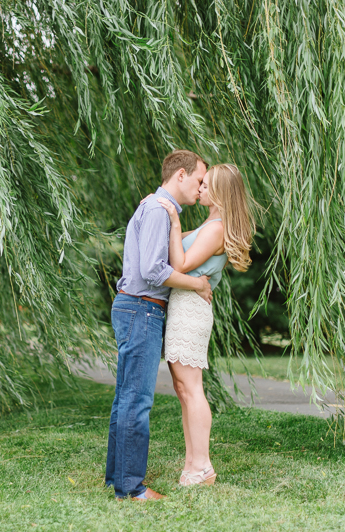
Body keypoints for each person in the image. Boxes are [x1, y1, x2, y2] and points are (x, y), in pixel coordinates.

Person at [106, 150, 214, 501]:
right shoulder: (157, 210)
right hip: (142, 309)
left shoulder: (157, 208)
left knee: (126, 398)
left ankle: (117, 478)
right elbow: (153, 271)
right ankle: (131, 488)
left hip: (136, 308)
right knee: (136, 401)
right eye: (199, 180)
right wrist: (198, 284)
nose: (201, 188)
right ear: (180, 175)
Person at [156, 163, 256, 487]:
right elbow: (178, 249)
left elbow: (180, 263)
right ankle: (193, 464)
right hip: (184, 305)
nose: (199, 187)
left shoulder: (216, 227)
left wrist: (173, 219)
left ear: (220, 191)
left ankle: (202, 467)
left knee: (191, 388)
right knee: (183, 389)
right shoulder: (211, 224)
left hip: (190, 309)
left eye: (206, 184)